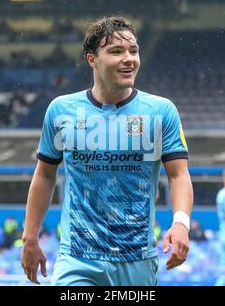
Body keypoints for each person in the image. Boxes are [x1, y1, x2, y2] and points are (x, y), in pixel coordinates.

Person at [21, 16, 194, 286]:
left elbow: (178, 175)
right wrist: (30, 237)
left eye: (133, 51)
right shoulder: (61, 110)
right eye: (116, 51)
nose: (129, 59)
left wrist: (181, 222)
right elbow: (44, 175)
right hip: (77, 257)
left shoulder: (161, 111)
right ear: (92, 59)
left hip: (137, 259)